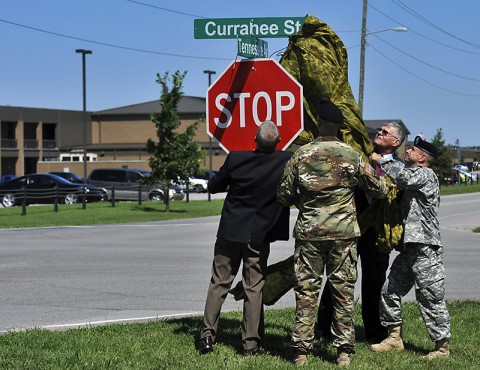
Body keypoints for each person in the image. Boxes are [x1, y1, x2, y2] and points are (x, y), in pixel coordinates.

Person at [277, 100, 389, 367]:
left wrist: (305, 202)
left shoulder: (302, 155)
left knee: (306, 291)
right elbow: (380, 189)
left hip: (310, 234)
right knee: (343, 291)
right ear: (339, 126)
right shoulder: (352, 155)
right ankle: (343, 352)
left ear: (318, 122)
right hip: (343, 235)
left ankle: (301, 352)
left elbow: (283, 195)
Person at [198, 120, 292, 355]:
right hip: (259, 235)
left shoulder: (236, 158)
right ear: (278, 142)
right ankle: (250, 344)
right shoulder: (285, 161)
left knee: (219, 283)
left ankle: (207, 336)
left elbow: (214, 186)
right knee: (254, 288)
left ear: (254, 140)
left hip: (230, 231)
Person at [316, 122, 407, 344]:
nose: (379, 133)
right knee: (337, 278)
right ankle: (323, 329)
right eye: (380, 129)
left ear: (396, 142)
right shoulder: (358, 157)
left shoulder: (400, 169)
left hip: (378, 231)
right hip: (352, 227)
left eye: (385, 132)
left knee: (374, 283)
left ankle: (375, 333)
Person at [370, 136, 451, 359]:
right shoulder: (414, 173)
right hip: (409, 248)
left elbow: (402, 176)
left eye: (413, 149)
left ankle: (442, 347)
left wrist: (381, 160)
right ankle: (394, 338)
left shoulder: (425, 175)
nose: (408, 151)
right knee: (390, 291)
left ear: (423, 157)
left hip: (426, 247)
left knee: (430, 297)